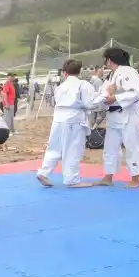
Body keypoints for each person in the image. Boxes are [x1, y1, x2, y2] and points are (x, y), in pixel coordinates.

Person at [90, 48, 139, 188]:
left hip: (129, 115)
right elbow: (102, 94)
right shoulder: (110, 75)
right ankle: (108, 177)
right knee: (110, 147)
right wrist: (97, 101)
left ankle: (135, 179)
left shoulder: (127, 71)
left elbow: (136, 92)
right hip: (113, 115)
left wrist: (115, 97)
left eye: (105, 59)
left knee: (132, 146)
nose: (104, 62)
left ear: (109, 59)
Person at [36, 59, 96, 188]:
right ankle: (72, 179)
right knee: (72, 149)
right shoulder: (83, 85)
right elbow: (89, 104)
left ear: (64, 73)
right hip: (73, 119)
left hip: (58, 118)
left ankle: (44, 172)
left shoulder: (60, 87)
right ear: (79, 72)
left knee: (54, 147)